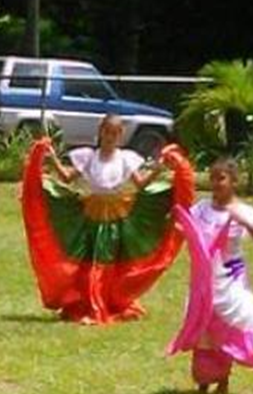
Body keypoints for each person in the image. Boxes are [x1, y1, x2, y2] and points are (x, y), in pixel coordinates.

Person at [22, 114, 194, 323]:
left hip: (116, 216)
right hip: (91, 214)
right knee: (90, 261)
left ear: (120, 136)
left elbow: (139, 184)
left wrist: (158, 170)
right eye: (107, 132)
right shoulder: (88, 157)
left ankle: (103, 302)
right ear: (100, 132)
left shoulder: (125, 159)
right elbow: (67, 178)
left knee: (108, 262)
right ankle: (89, 302)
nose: (110, 137)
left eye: (115, 133)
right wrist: (51, 159)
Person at [166, 158, 253, 394]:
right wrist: (174, 220)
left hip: (230, 278)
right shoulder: (201, 208)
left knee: (230, 324)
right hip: (204, 278)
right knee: (205, 327)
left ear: (233, 182)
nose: (216, 183)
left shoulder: (244, 211)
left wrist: (243, 222)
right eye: (213, 178)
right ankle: (203, 380)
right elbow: (188, 231)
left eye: (221, 178)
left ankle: (223, 381)